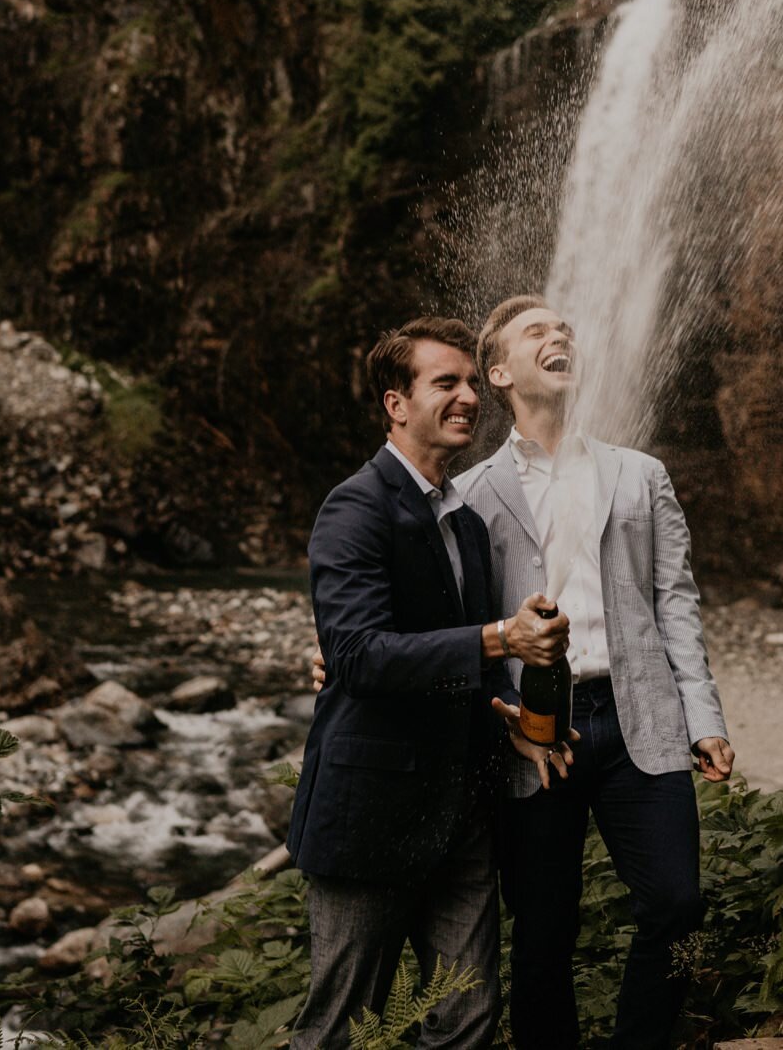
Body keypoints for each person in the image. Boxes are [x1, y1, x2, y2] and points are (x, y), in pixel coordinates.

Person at [287, 316, 571, 1050]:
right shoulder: (355, 507)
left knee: (468, 1021)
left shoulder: (468, 523)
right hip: (370, 812)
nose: (469, 396)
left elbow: (463, 669)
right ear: (396, 403)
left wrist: (513, 722)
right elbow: (356, 656)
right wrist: (497, 637)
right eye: (445, 382)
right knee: (338, 1030)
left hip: (460, 813)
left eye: (474, 382)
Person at [460, 294, 732, 1050]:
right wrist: (500, 717)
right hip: (535, 733)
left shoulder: (640, 474)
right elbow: (461, 626)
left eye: (565, 330)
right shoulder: (471, 496)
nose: (560, 337)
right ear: (500, 371)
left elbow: (676, 602)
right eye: (536, 332)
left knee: (677, 904)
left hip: (638, 714)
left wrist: (704, 718)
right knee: (544, 929)